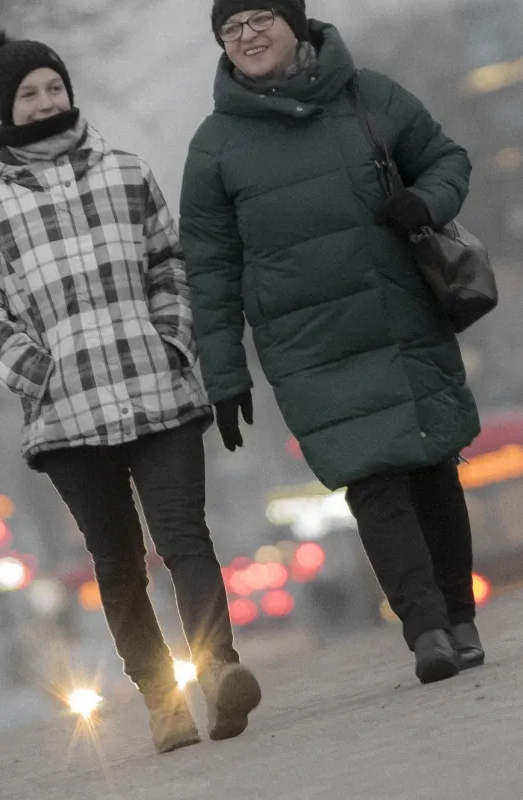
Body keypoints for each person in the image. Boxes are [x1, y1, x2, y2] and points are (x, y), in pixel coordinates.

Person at [0, 31, 260, 753]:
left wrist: (172, 339)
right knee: (117, 562)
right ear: (5, 107)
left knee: (186, 537)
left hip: (158, 394)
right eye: (28, 93)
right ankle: (162, 700)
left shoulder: (125, 171)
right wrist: (38, 372)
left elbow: (169, 264)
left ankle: (218, 669)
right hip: (67, 416)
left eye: (53, 86)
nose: (46, 100)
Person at [181, 1, 485, 685]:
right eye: (232, 29)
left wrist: (425, 203)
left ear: (296, 24)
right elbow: (209, 268)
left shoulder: (368, 95)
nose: (248, 36)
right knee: (372, 480)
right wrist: (224, 373)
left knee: (433, 469)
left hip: (401, 315)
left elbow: (447, 160)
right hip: (311, 348)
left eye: (260, 18)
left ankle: (459, 616)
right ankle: (427, 629)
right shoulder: (214, 147)